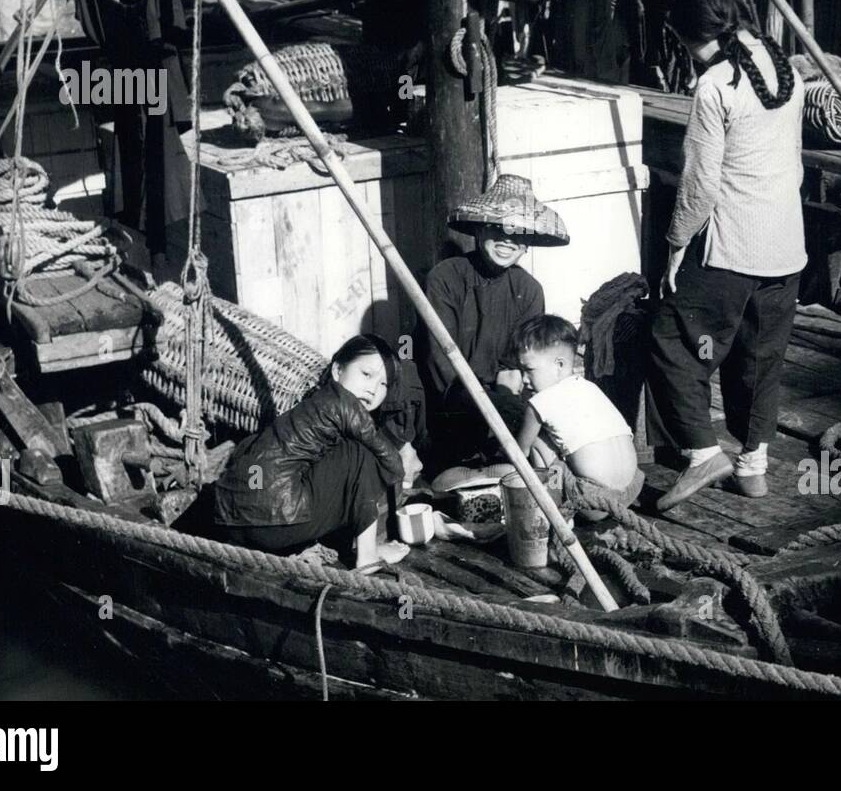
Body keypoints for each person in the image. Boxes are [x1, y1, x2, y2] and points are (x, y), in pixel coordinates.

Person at [647, 0, 806, 511]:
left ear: (682, 35)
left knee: (672, 340)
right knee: (761, 358)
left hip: (734, 246)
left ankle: (701, 453)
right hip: (786, 243)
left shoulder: (715, 85)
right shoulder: (784, 68)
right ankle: (753, 468)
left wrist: (674, 245)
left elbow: (700, 186)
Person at [214, 334, 412, 570]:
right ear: (337, 370)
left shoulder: (313, 405)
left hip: (232, 519)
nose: (372, 389)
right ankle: (368, 555)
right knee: (364, 453)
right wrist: (403, 473)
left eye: (383, 384)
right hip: (274, 520)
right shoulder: (344, 404)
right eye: (366, 374)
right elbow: (391, 462)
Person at [416, 173, 569, 477]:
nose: (506, 240)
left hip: (501, 399)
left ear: (528, 243)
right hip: (452, 399)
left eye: (517, 233)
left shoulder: (529, 289)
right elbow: (441, 363)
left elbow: (516, 367)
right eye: (497, 228)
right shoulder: (445, 277)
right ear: (478, 229)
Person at [513, 315, 643, 516]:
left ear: (559, 365)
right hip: (632, 489)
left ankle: (551, 501)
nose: (524, 379)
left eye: (529, 370)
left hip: (592, 502)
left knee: (538, 440)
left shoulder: (539, 402)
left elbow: (519, 453)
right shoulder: (589, 387)